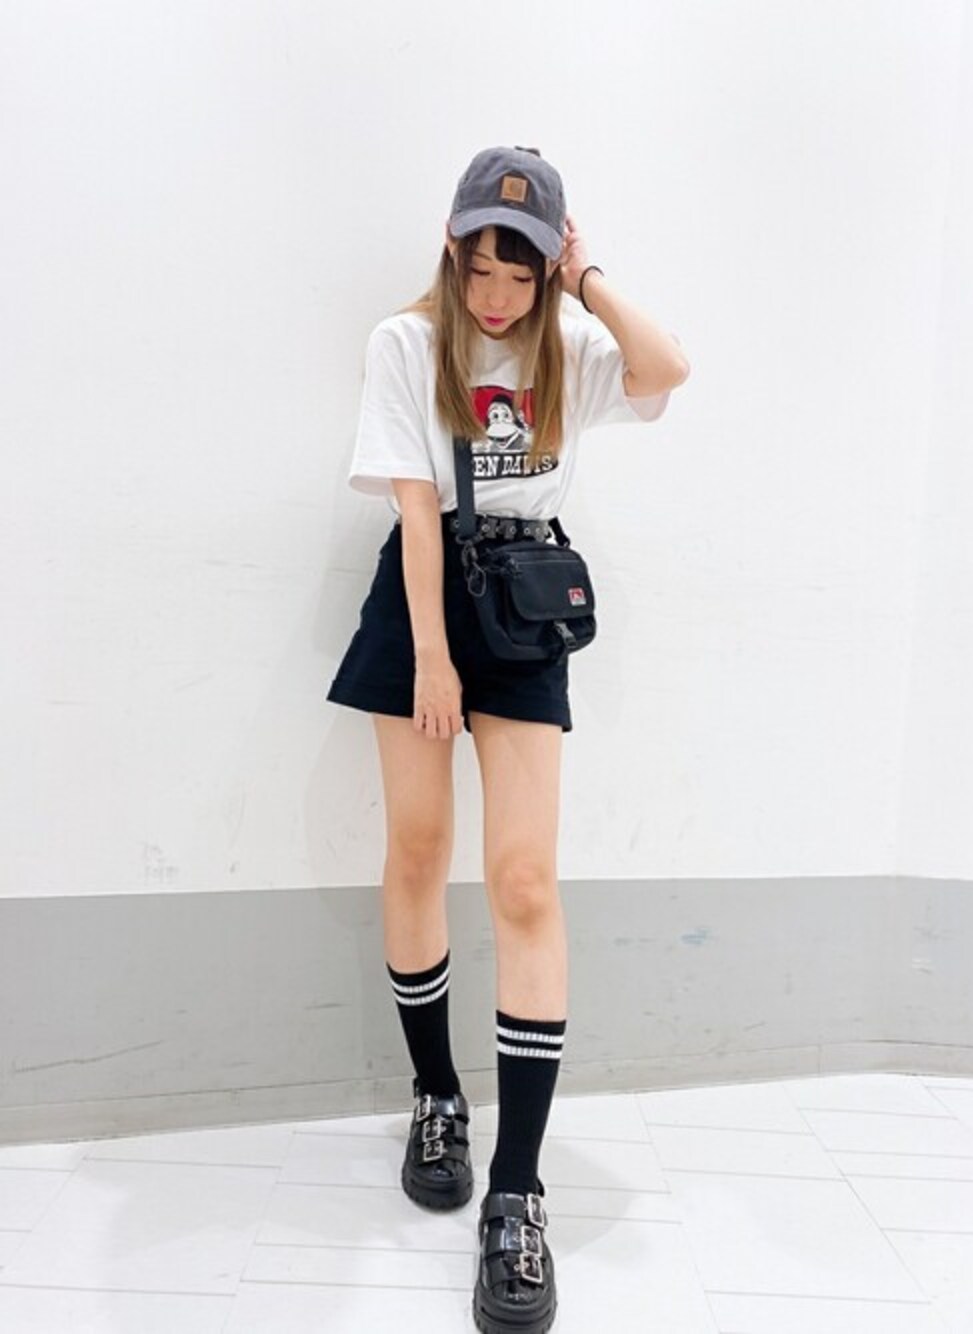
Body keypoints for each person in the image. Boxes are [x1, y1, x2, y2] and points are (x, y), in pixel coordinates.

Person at [325, 145, 689, 1334]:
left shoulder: (570, 346)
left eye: (518, 273)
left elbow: (668, 368)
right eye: (479, 266)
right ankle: (437, 1096)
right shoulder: (405, 341)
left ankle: (518, 1192)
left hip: (526, 603)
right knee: (419, 849)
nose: (494, 295)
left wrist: (588, 280)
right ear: (451, 246)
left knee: (525, 879)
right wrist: (431, 656)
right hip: (423, 598)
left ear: (545, 269)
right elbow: (414, 507)